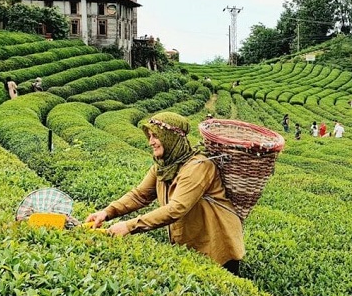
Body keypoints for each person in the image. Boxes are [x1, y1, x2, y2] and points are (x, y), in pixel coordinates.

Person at [85, 112, 245, 275]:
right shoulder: (163, 166)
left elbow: (177, 208)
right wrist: (107, 212)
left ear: (170, 137)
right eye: (149, 136)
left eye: (156, 136)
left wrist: (128, 226)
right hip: (190, 244)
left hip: (217, 246)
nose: (151, 142)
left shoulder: (198, 166)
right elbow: (140, 195)